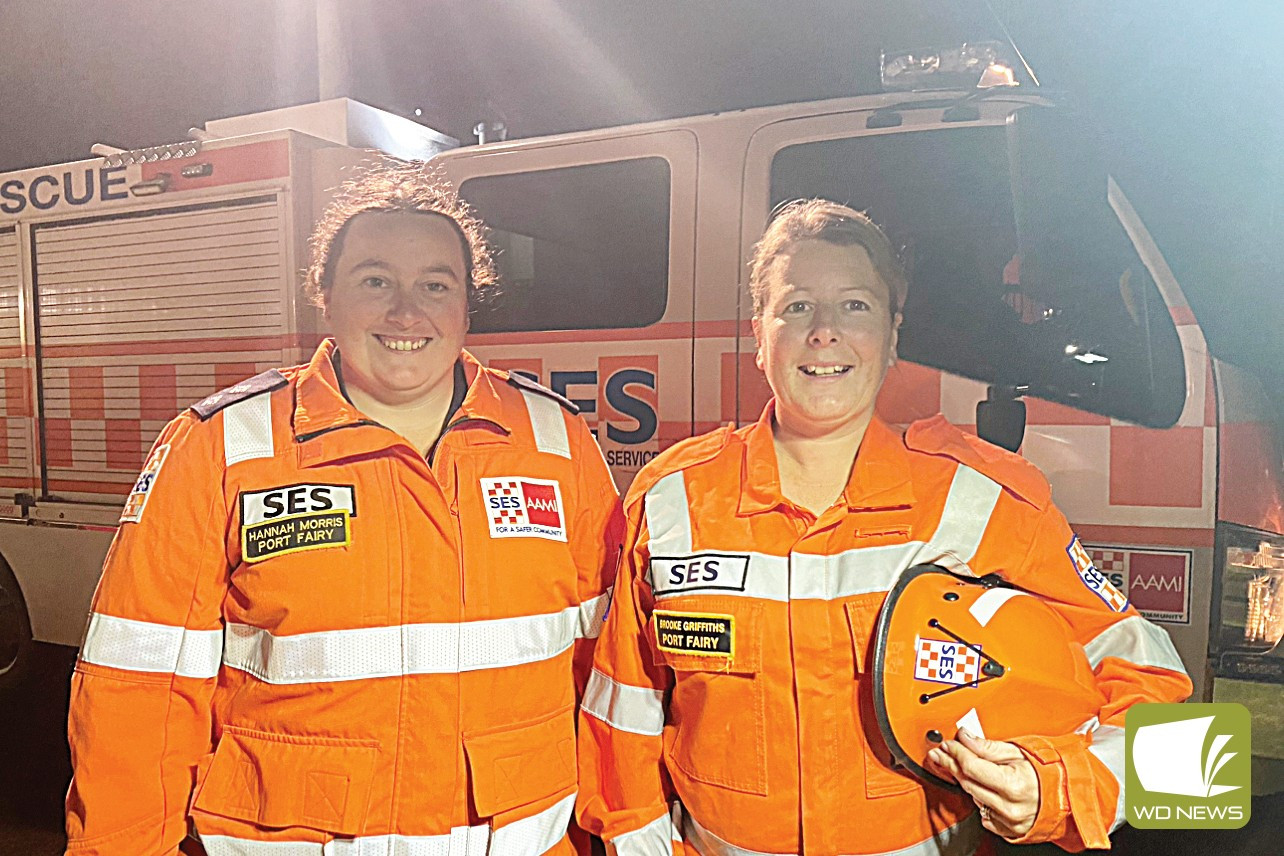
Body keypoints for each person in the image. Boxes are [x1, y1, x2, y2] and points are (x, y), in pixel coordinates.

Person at [576, 199, 1192, 855]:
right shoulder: (670, 501)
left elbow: (1193, 755)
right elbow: (622, 733)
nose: (824, 332)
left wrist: (1062, 791)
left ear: (893, 333)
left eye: (855, 307)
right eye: (796, 307)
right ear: (759, 334)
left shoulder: (983, 499)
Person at [65, 163, 624, 855]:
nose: (406, 312)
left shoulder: (555, 442)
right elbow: (137, 693)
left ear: (465, 305)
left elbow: (614, 671)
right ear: (324, 297)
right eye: (375, 280)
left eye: (435, 285)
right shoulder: (221, 447)